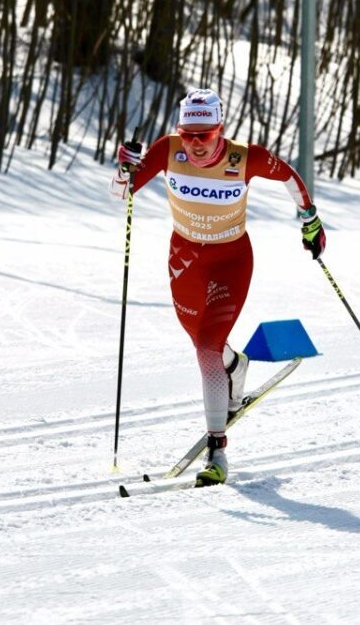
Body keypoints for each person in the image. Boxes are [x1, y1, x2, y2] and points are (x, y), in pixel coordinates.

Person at [110, 87, 325, 486]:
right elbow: (121, 193)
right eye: (188, 135)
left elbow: (290, 177)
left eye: (204, 136)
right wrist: (125, 169)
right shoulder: (168, 150)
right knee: (203, 342)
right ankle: (235, 366)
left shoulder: (245, 157)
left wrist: (310, 218)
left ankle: (217, 452)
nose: (195, 144)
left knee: (207, 347)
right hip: (185, 260)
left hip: (230, 261)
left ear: (220, 130)